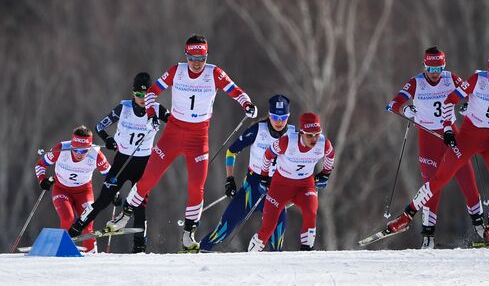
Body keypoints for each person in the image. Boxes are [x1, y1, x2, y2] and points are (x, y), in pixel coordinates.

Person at [105, 34, 258, 253]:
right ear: (186, 55)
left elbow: (236, 91)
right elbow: (152, 92)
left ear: (207, 56)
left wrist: (247, 104)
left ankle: (188, 235)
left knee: (197, 187)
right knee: (149, 177)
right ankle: (125, 215)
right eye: (192, 57)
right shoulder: (177, 70)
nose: (197, 63)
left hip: (198, 138)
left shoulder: (213, 73)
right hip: (173, 134)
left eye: (201, 58)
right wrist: (150, 113)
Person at [387, 48, 489, 244]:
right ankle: (409, 220)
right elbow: (400, 103)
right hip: (457, 138)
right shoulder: (473, 79)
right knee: (438, 180)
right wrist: (406, 109)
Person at [386, 46, 483, 248]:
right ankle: (428, 238)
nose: (435, 74)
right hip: (428, 139)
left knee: (468, 180)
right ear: (425, 66)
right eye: (430, 69)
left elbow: (470, 92)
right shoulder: (416, 82)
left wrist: (468, 106)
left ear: (444, 66)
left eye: (438, 68)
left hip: (451, 137)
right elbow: (394, 103)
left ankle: (483, 230)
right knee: (432, 188)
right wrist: (406, 109)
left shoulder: (451, 79)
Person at [67, 72, 170, 253]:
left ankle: (139, 246)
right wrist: (108, 139)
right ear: (133, 93)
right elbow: (100, 126)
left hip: (143, 165)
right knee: (103, 200)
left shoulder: (158, 109)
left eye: (146, 95)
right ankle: (75, 229)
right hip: (122, 163)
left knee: (140, 207)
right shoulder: (124, 108)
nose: (142, 99)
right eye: (138, 95)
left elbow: (178, 125)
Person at [200, 95, 295, 252]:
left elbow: (303, 161)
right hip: (251, 188)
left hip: (277, 192)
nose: (279, 122)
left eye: (283, 117)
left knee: (277, 242)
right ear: (270, 115)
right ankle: (195, 256)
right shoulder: (258, 130)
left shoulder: (293, 135)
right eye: (275, 117)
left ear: (288, 116)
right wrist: (230, 178)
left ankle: (275, 274)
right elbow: (231, 151)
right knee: (222, 231)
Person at [248, 112, 335, 252]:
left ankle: (306, 253)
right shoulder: (287, 141)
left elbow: (331, 155)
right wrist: (264, 177)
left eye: (317, 134)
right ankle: (250, 256)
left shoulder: (323, 144)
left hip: (305, 186)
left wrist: (326, 173)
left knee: (311, 213)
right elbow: (268, 155)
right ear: (301, 133)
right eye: (309, 135)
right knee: (268, 227)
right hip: (280, 186)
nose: (314, 139)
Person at [34, 125, 111, 253]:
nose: (79, 154)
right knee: (67, 218)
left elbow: (109, 176)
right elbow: (40, 165)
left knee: (87, 222)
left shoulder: (96, 154)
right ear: (72, 146)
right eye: (76, 150)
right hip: (61, 190)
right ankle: (62, 248)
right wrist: (42, 180)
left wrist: (115, 193)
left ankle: (91, 252)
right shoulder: (61, 149)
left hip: (84, 192)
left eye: (84, 151)